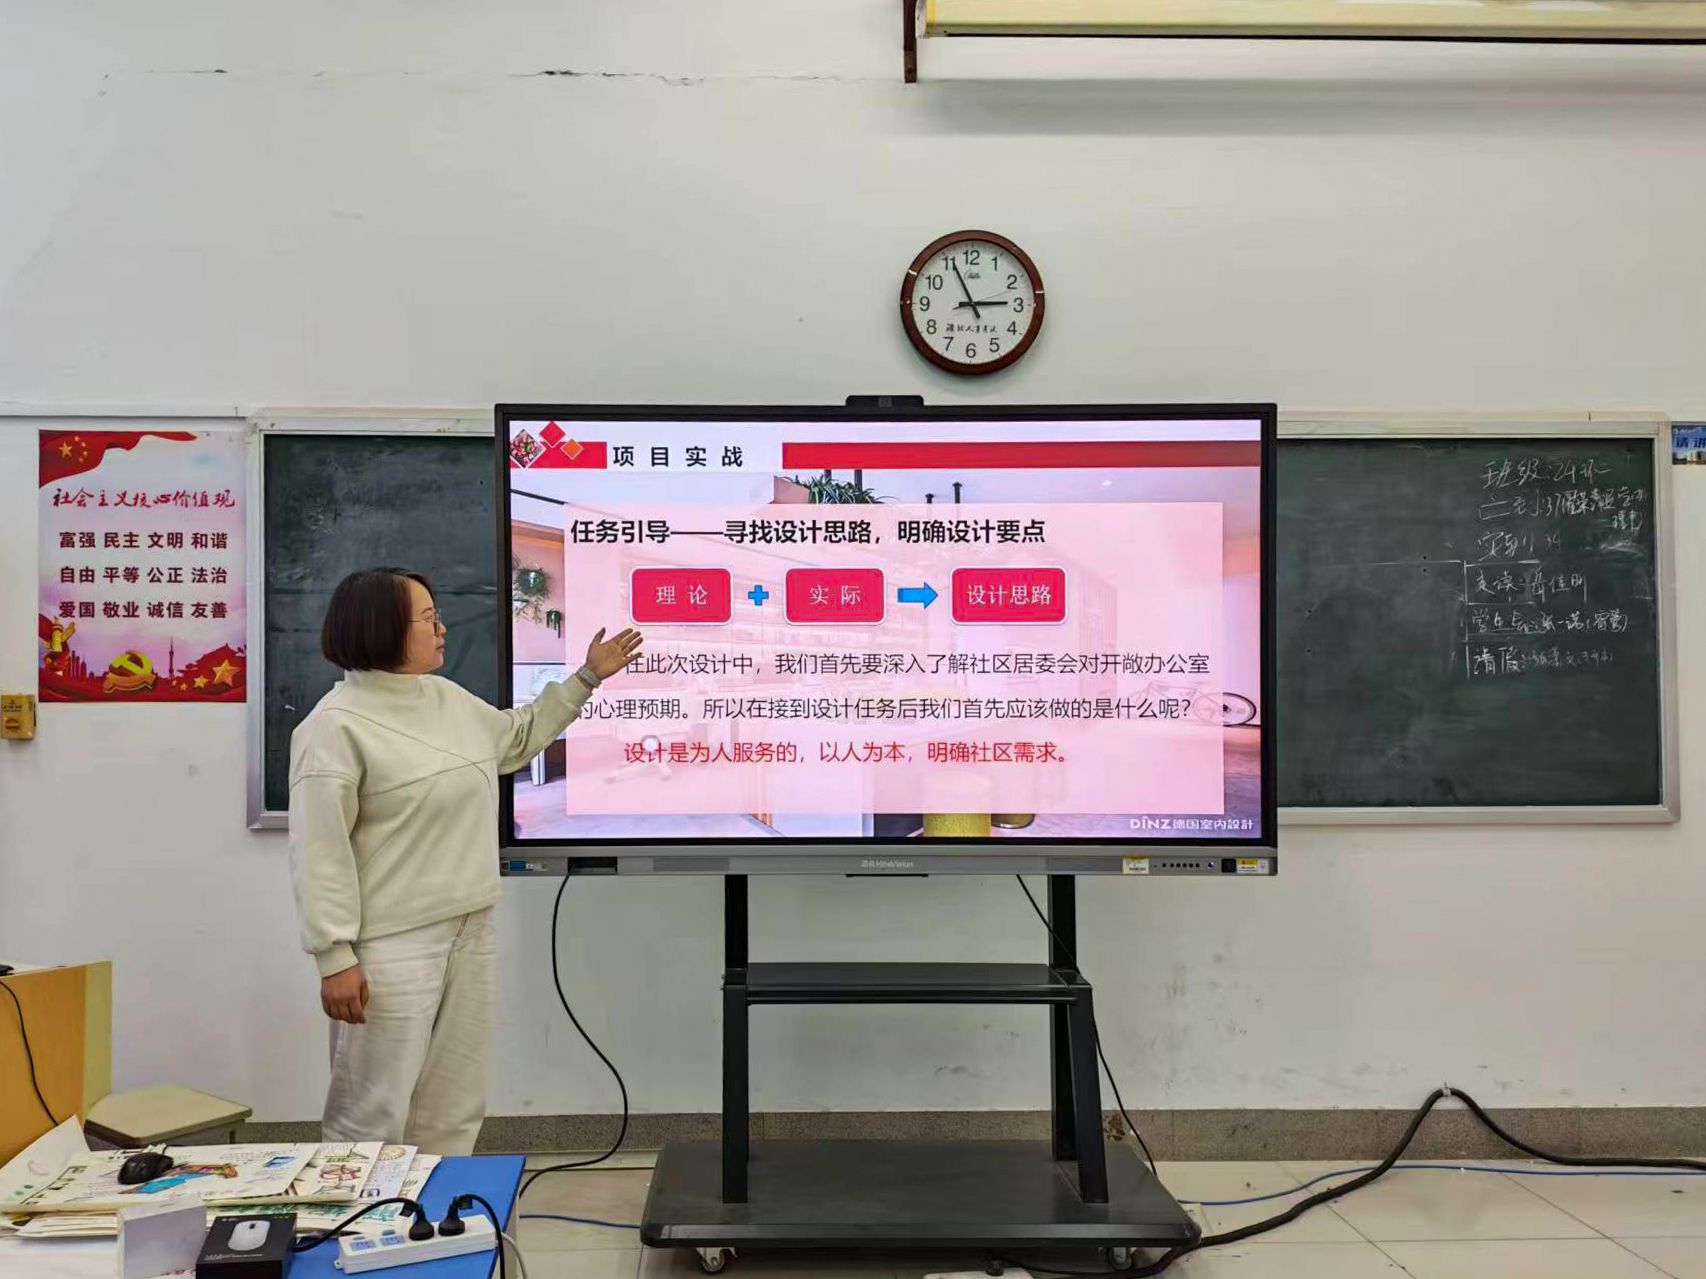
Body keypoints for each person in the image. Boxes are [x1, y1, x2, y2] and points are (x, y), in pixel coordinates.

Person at [288, 567, 641, 1154]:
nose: (442, 629)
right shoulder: (334, 728)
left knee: (453, 1107)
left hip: (471, 929)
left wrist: (585, 679)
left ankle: (436, 1213)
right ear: (381, 628)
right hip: (390, 947)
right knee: (371, 1114)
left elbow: (516, 737)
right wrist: (333, 956)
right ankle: (360, 1215)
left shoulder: (444, 698)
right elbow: (318, 851)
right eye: (428, 619)